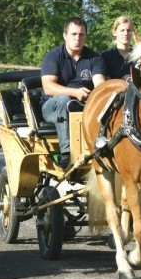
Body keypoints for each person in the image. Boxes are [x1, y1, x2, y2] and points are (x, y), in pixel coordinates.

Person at [41, 17, 106, 168]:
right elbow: (48, 87)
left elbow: (100, 85)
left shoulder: (95, 58)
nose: (77, 38)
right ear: (65, 35)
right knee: (64, 99)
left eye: (81, 34)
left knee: (104, 101)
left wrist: (95, 95)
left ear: (86, 36)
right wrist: (74, 92)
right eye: (73, 34)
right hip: (53, 107)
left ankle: (101, 148)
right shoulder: (53, 56)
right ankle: (66, 152)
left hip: (83, 105)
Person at [99, 16, 134, 80]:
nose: (126, 33)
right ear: (114, 32)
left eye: (128, 30)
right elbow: (107, 83)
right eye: (122, 30)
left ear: (132, 33)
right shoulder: (106, 56)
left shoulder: (138, 56)